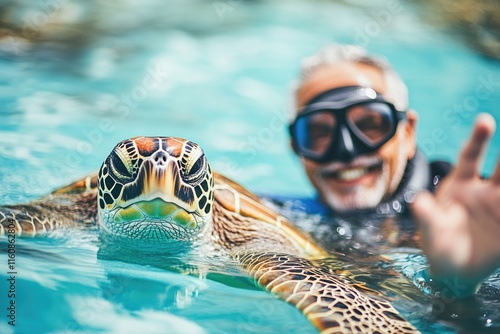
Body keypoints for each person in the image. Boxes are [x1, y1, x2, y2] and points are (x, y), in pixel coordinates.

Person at [287, 43, 500, 295]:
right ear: (296, 148)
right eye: (319, 131)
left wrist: (461, 291)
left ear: (407, 133)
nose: (346, 150)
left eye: (369, 123)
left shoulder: (479, 218)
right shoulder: (288, 219)